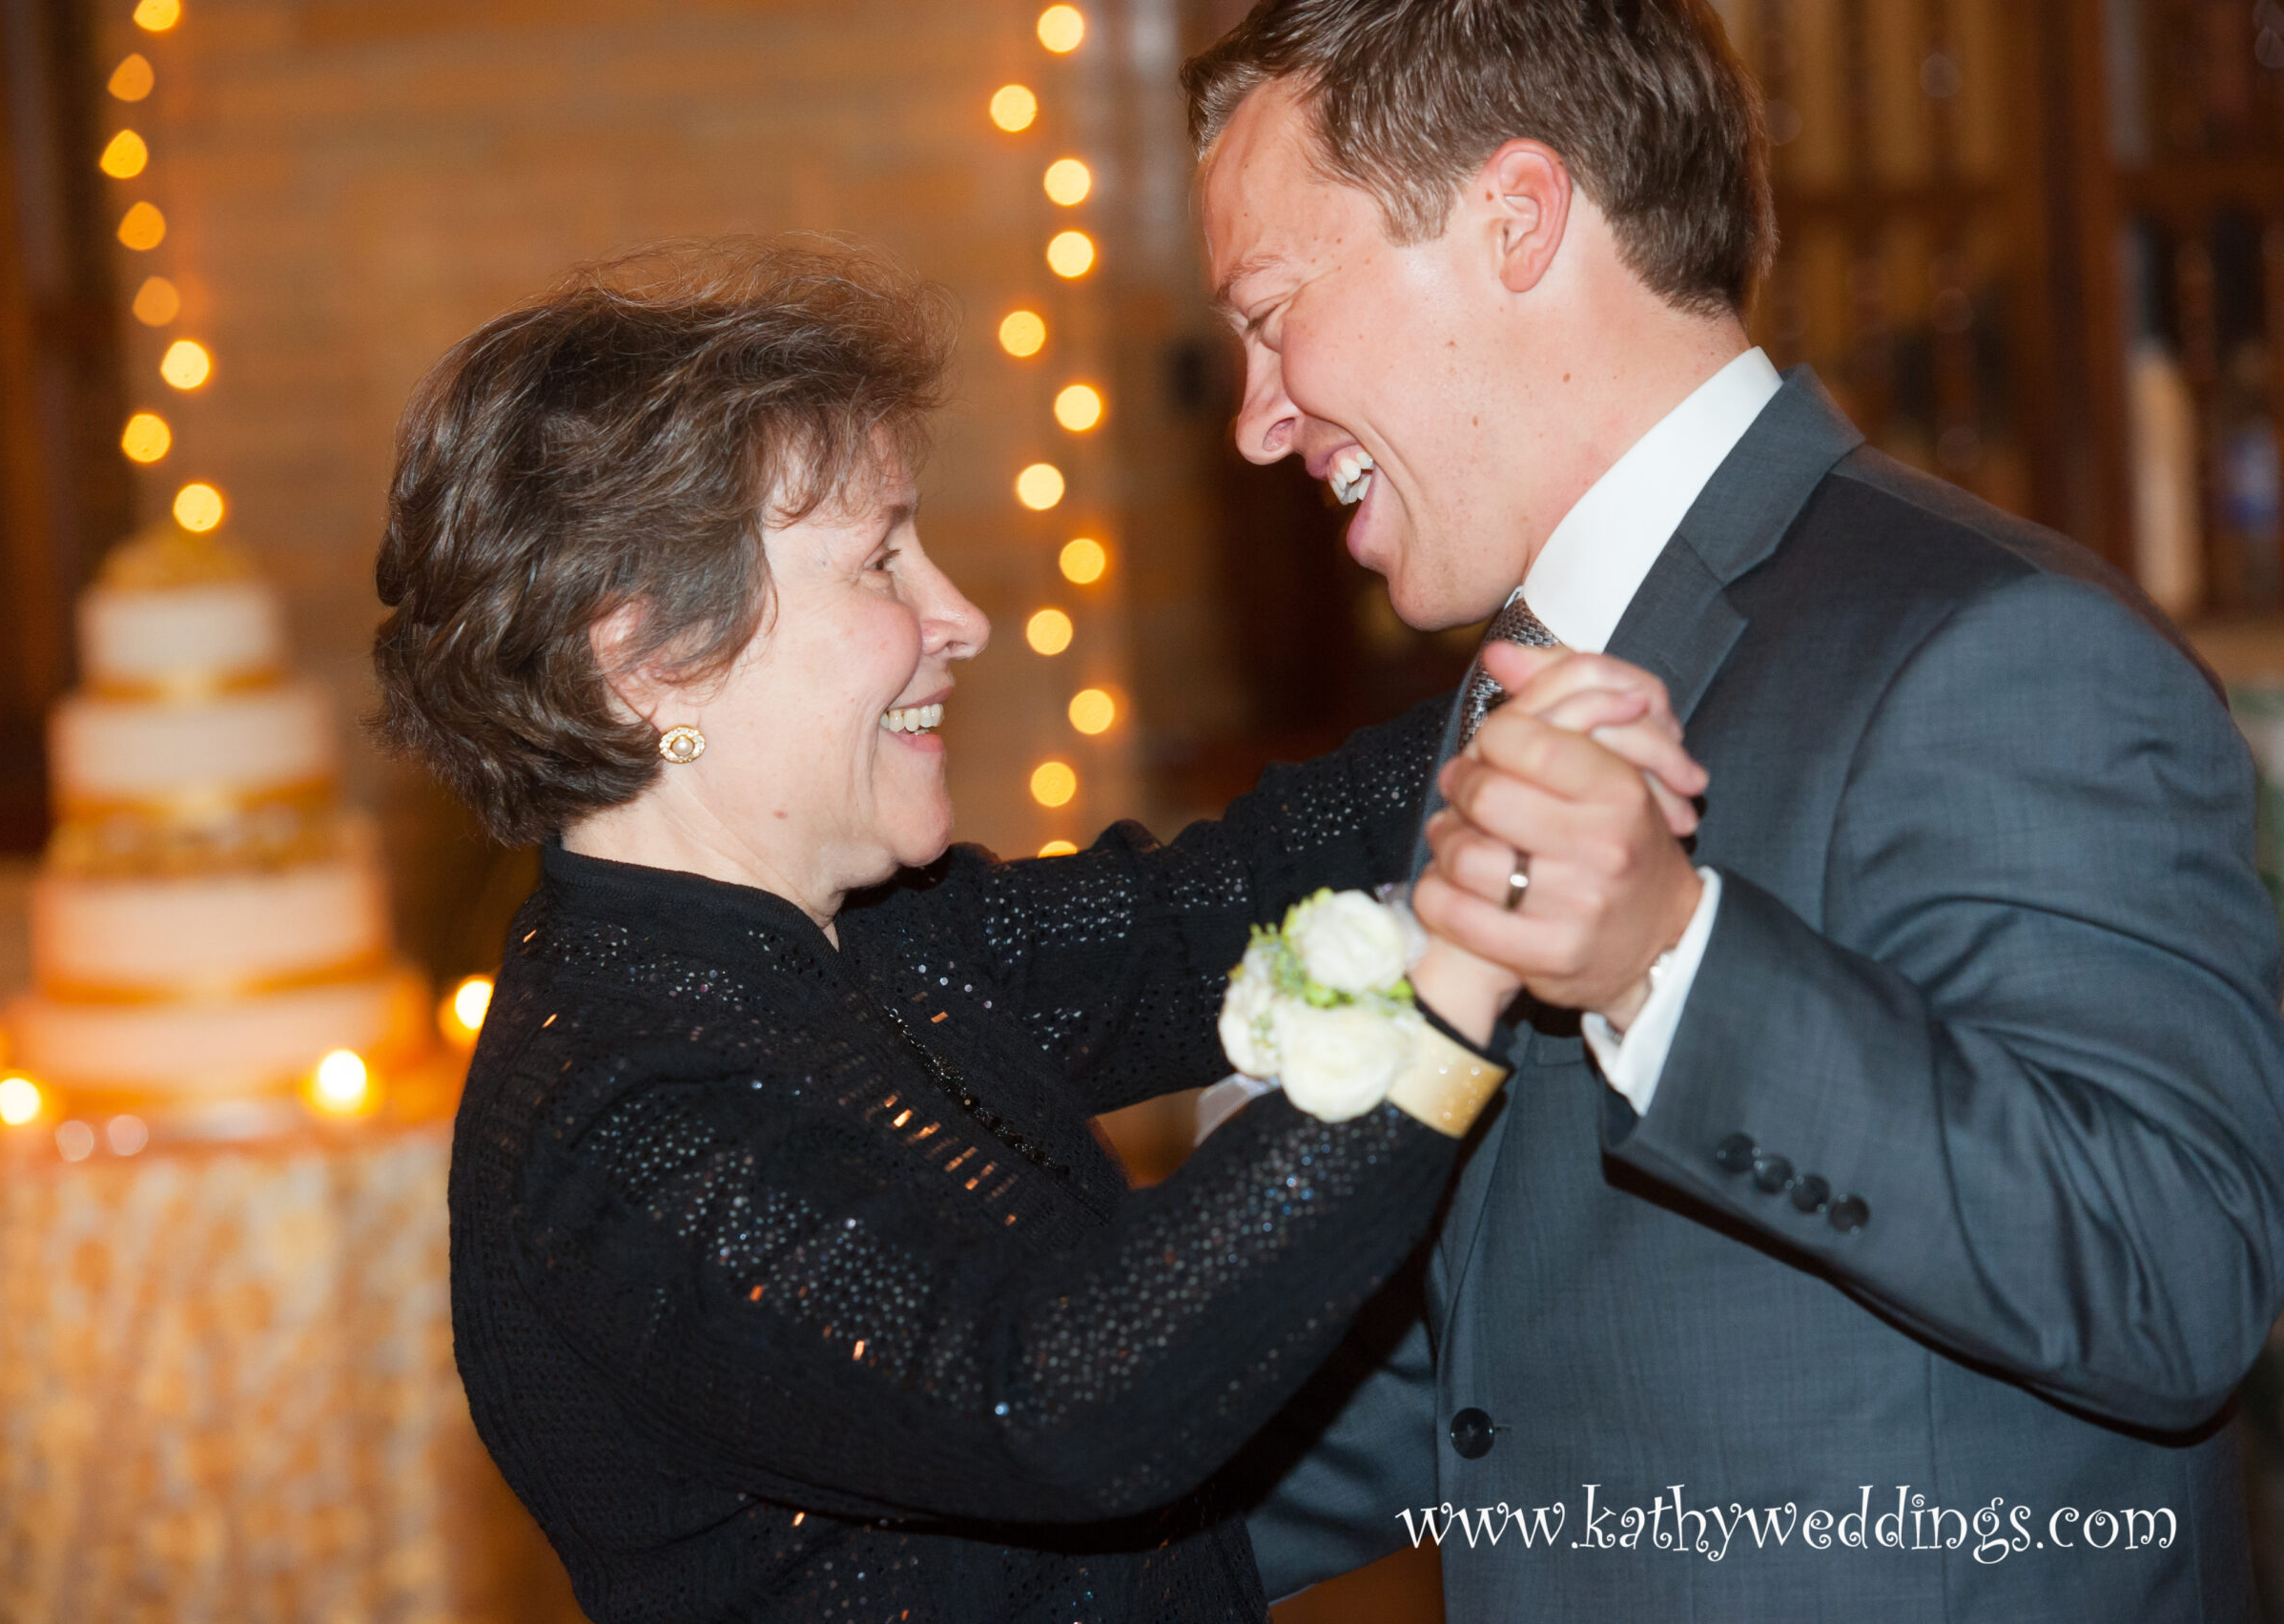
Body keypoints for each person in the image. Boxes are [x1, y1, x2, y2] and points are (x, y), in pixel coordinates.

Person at [371, 241, 1699, 1622]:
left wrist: (1561, 680)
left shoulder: (877, 941)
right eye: (880, 562)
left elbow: (1214, 908)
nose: (960, 616)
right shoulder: (616, 1122)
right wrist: (1450, 978)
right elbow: (1065, 1397)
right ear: (648, 659)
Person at [1185, 2, 2284, 1619]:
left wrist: (1670, 959)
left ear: (1515, 218)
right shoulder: (1526, 684)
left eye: (1275, 312)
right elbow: (1506, 1371)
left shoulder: (1999, 648)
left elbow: (2176, 1271)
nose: (1257, 415)